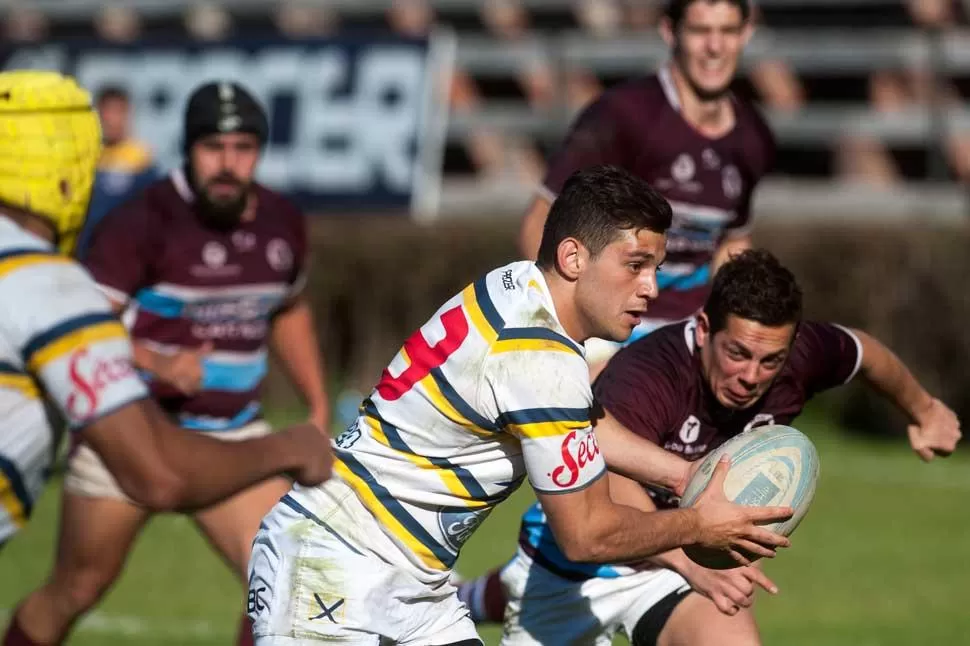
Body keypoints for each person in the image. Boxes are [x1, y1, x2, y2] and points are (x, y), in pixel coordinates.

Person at [246, 166, 794, 646]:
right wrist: (696, 525)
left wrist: (683, 474)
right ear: (573, 256)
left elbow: (580, 422)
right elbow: (587, 535)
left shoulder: (520, 289)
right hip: (330, 562)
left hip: (410, 582)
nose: (652, 287)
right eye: (635, 265)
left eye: (656, 266)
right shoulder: (539, 360)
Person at [458, 249, 961, 646]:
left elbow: (864, 353)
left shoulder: (798, 356)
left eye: (770, 362)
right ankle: (470, 598)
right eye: (737, 353)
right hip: (582, 561)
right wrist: (691, 558)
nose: (750, 376)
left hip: (674, 575)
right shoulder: (648, 374)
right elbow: (610, 475)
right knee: (525, 583)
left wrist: (925, 410)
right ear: (703, 330)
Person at [0, 71, 332, 644]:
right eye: (213, 147)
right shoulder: (138, 223)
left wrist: (318, 402)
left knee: (290, 581)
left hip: (231, 437)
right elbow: (79, 328)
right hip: (131, 434)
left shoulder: (283, 222)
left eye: (243, 148)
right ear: (187, 149)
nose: (227, 163)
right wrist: (156, 362)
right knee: (75, 589)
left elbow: (288, 308)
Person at [518, 0, 774, 369]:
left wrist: (736, 326)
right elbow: (539, 224)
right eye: (701, 31)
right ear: (670, 32)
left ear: (746, 33)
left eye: (728, 31)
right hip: (607, 339)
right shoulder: (623, 115)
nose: (714, 47)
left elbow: (732, 242)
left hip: (688, 341)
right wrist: (582, 337)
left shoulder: (754, 136)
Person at [75, 85, 160, 259]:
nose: (112, 120)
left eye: (118, 112)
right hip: (85, 252)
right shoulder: (84, 155)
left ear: (128, 115)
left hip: (126, 253)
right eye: (107, 112)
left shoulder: (141, 158)